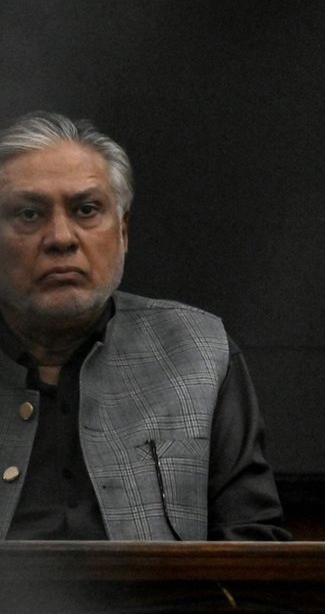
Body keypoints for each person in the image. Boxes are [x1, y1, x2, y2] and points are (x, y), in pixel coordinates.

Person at [0, 111, 289, 541]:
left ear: (123, 230)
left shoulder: (198, 352)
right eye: (28, 214)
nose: (61, 238)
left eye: (86, 210)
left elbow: (251, 542)